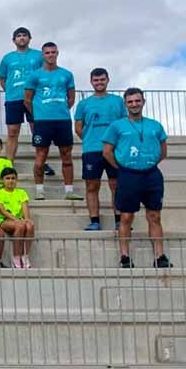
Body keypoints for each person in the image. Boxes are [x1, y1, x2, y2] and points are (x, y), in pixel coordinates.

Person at [102, 88, 172, 269]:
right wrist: (123, 168)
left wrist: (148, 163)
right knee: (126, 216)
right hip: (128, 175)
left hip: (151, 175)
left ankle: (160, 256)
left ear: (143, 102)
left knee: (154, 216)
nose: (134, 104)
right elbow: (107, 152)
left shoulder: (155, 125)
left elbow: (163, 151)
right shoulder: (116, 126)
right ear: (125, 104)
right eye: (130, 101)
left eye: (137, 101)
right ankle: (125, 256)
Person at [23, 42, 79, 200]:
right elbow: (27, 100)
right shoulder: (34, 76)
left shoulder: (67, 74)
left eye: (53, 52)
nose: (50, 55)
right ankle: (39, 189)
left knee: (66, 155)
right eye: (47, 53)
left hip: (62, 121)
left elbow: (71, 98)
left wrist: (60, 110)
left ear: (57, 53)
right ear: (43, 55)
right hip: (42, 122)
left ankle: (69, 191)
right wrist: (39, 114)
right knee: (41, 156)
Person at [74, 68, 126, 230]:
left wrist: (111, 142)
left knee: (116, 185)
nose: (99, 83)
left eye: (102, 79)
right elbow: (78, 128)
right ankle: (95, 221)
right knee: (91, 186)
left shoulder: (118, 101)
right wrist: (92, 140)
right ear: (91, 82)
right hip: (91, 150)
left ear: (108, 80)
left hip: (114, 150)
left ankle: (119, 220)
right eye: (96, 80)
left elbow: (124, 125)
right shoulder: (83, 104)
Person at [0, 26, 43, 163]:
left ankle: (41, 161)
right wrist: (12, 91)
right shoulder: (7, 58)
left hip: (34, 98)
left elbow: (44, 74)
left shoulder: (38, 55)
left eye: (24, 35)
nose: (22, 38)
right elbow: (2, 79)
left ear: (29, 38)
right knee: (12, 131)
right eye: (19, 36)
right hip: (13, 99)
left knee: (37, 130)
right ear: (14, 40)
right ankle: (8, 163)